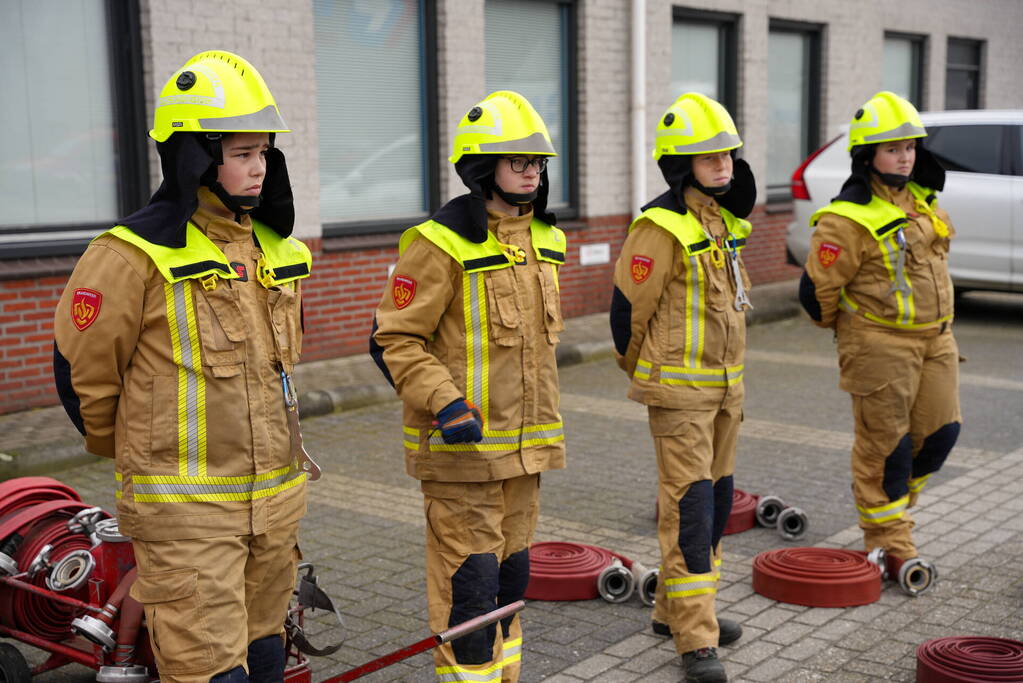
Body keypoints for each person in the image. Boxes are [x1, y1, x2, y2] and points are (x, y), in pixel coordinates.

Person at [53, 50, 312, 682]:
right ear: (195, 156)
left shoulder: (273, 248)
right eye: (242, 153)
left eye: (264, 153)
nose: (259, 168)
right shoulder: (130, 256)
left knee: (268, 654)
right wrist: (137, 457)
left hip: (274, 504)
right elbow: (79, 369)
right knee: (207, 669)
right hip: (185, 514)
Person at [370, 90, 566, 683]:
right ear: (484, 168)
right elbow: (394, 338)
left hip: (524, 458)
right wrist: (445, 401)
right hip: (462, 455)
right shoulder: (438, 243)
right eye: (518, 162)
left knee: (510, 586)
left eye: (537, 163)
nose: (531, 173)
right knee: (471, 595)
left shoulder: (545, 241)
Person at [610, 92, 756, 683]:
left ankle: (675, 610)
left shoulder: (726, 223)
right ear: (680, 165)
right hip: (680, 397)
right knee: (690, 512)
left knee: (716, 505)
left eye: (727, 153)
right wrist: (650, 374)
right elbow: (626, 317)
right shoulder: (659, 228)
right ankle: (696, 639)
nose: (722, 164)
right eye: (708, 156)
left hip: (725, 394)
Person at [799, 91, 958, 590]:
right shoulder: (845, 219)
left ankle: (887, 511)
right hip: (879, 346)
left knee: (940, 436)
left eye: (910, 147)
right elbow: (815, 293)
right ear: (868, 156)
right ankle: (892, 540)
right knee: (885, 452)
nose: (905, 156)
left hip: (937, 341)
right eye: (893, 149)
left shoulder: (923, 202)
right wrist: (852, 333)